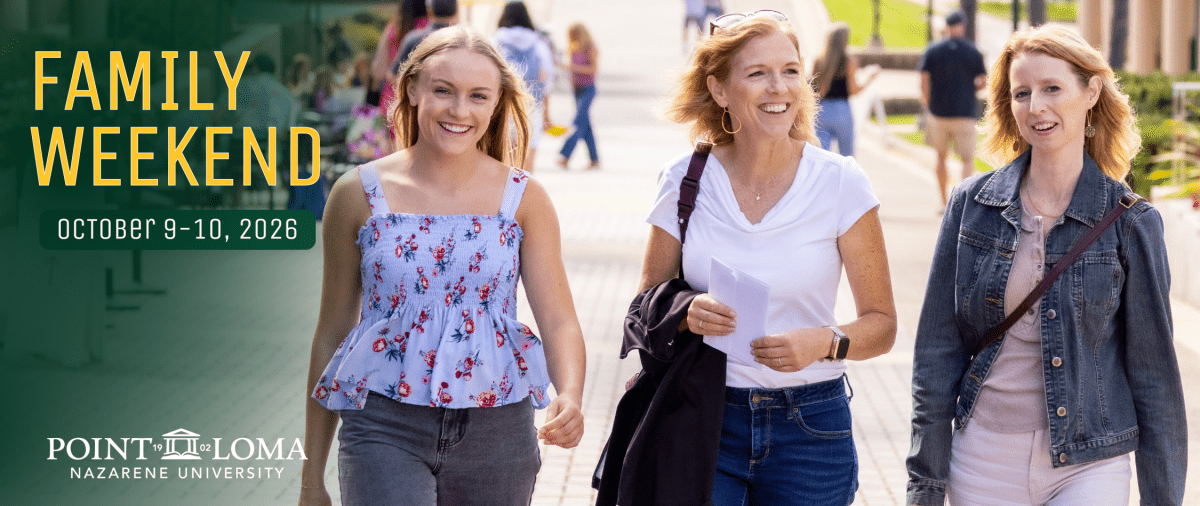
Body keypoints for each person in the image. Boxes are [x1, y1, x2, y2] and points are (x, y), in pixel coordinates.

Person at [298, 26, 587, 506]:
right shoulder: (357, 194)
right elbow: (330, 335)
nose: (459, 110)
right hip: (383, 423)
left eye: (478, 96)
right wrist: (311, 480)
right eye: (443, 90)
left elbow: (558, 320)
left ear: (496, 103)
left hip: (498, 429)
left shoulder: (524, 199)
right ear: (412, 89)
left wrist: (571, 394)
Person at [907, 25, 1187, 505]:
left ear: (1090, 92)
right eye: (1022, 93)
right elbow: (936, 355)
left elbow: (1154, 377)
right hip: (983, 460)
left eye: (1052, 88)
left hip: (1090, 463)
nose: (1036, 106)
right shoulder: (971, 206)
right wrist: (926, 484)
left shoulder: (1130, 222)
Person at [642, 12, 897, 505]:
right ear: (720, 90)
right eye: (757, 73)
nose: (778, 87)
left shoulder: (840, 182)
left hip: (810, 430)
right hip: (703, 417)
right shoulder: (683, 180)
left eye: (790, 71)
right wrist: (686, 311)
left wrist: (825, 342)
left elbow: (882, 325)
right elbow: (644, 304)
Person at [918, 10, 987, 209]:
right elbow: (983, 81)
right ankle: (962, 203)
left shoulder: (933, 50)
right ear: (962, 26)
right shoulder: (972, 51)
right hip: (965, 112)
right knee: (966, 160)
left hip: (938, 112)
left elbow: (923, 80)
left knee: (941, 157)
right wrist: (971, 90)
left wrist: (927, 103)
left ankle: (943, 202)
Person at [494, 1, 554, 173]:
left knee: (504, 163)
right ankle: (524, 190)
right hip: (531, 107)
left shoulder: (495, 41)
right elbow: (548, 77)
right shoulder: (538, 44)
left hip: (502, 108)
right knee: (527, 165)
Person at [812, 23, 879, 156]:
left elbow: (816, 91)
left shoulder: (819, 60)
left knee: (821, 157)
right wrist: (869, 78)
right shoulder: (849, 61)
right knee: (847, 157)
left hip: (822, 110)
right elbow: (853, 91)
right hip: (842, 109)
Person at [371, 0, 427, 115]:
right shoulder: (432, 29)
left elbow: (378, 71)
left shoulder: (394, 27)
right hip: (422, 104)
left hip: (393, 105)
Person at [557, 22, 600, 170]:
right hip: (577, 89)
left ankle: (565, 155)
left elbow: (593, 69)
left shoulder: (590, 48)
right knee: (585, 125)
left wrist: (573, 68)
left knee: (578, 122)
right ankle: (594, 159)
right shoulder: (573, 48)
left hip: (588, 88)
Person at [394, 0, 459, 74]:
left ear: (429, 11)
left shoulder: (413, 39)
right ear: (457, 12)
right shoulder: (464, 40)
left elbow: (394, 75)